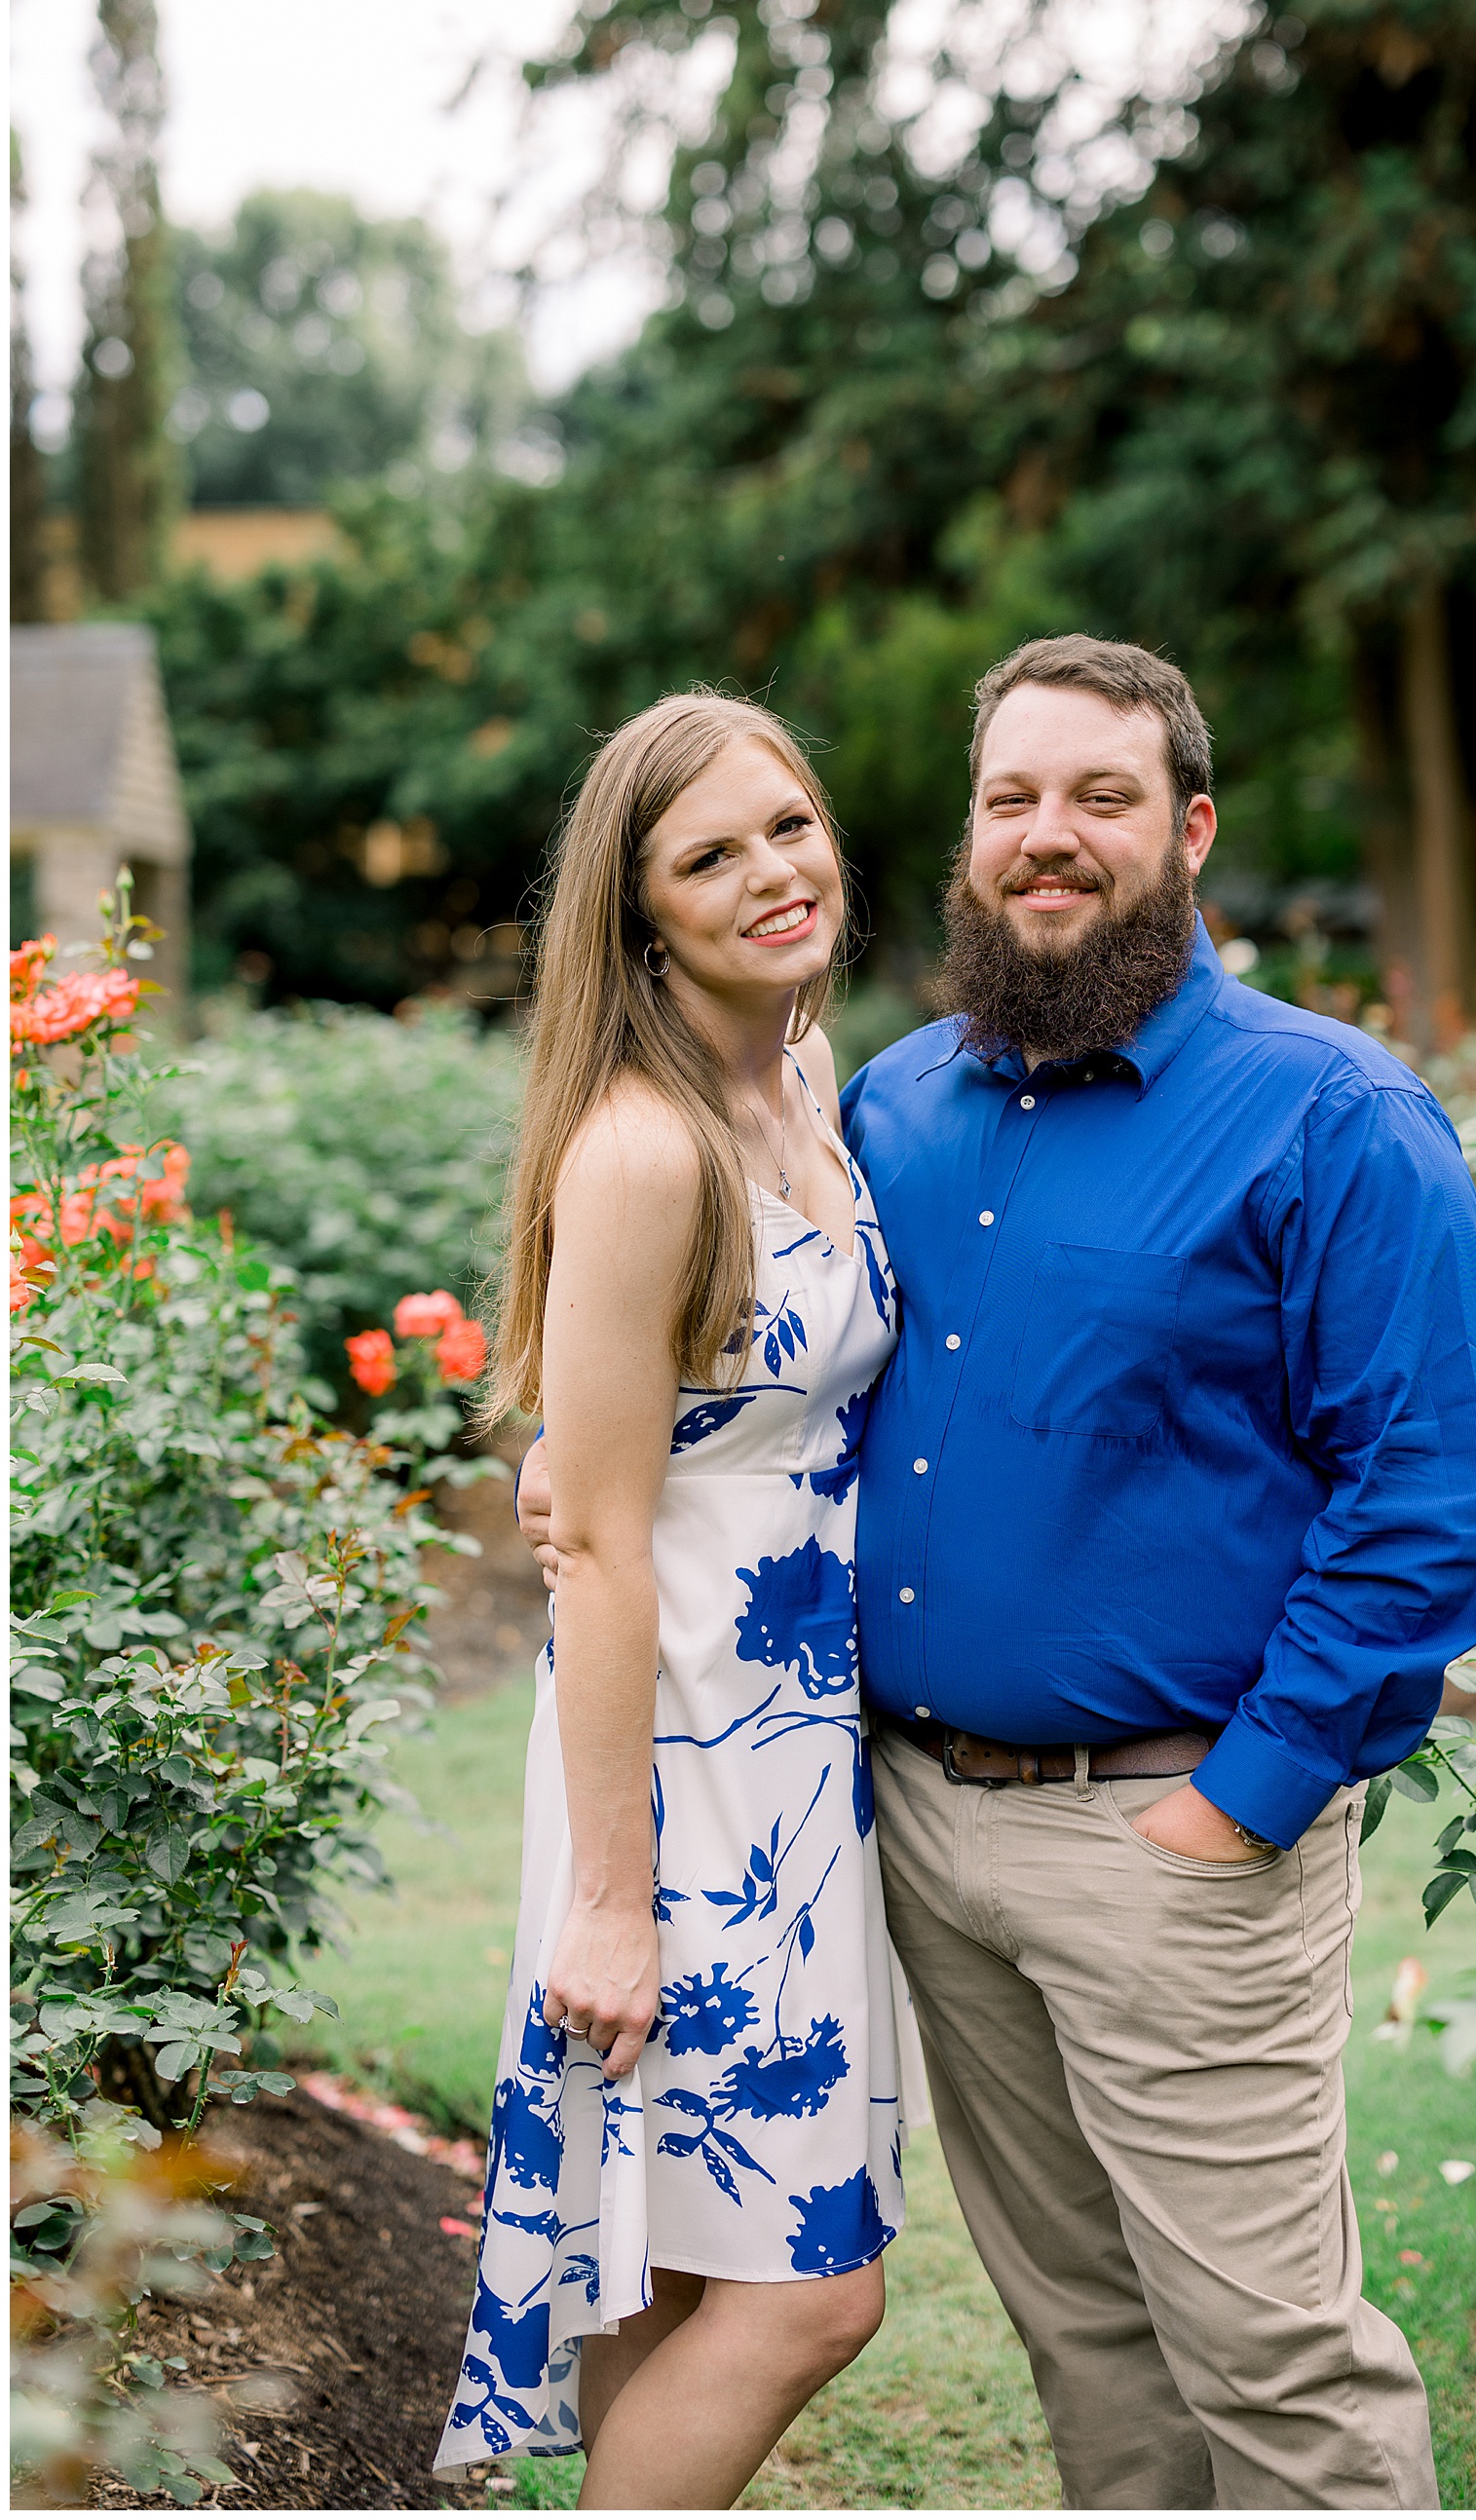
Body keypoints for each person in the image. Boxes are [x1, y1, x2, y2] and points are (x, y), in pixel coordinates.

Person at [519, 634, 1476, 2509]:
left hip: (1174, 1836)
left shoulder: (1331, 1116)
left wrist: (1246, 1803)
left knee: (1276, 2360)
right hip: (902, 1829)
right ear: (970, 838)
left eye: (1102, 797)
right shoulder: (883, 1106)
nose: (1047, 837)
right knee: (1088, 2344)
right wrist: (580, 1466)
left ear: (1195, 829)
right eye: (1011, 800)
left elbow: (1430, 1495)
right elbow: (768, 1385)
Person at [436, 692, 912, 2508]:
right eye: (708, 855)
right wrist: (613, 1903)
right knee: (817, 2297)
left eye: (786, 824)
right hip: (684, 1757)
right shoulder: (642, 1151)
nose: (770, 872)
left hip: (799, 1749)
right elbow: (604, 1545)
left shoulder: (802, 1078)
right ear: (641, 915)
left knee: (675, 2241)